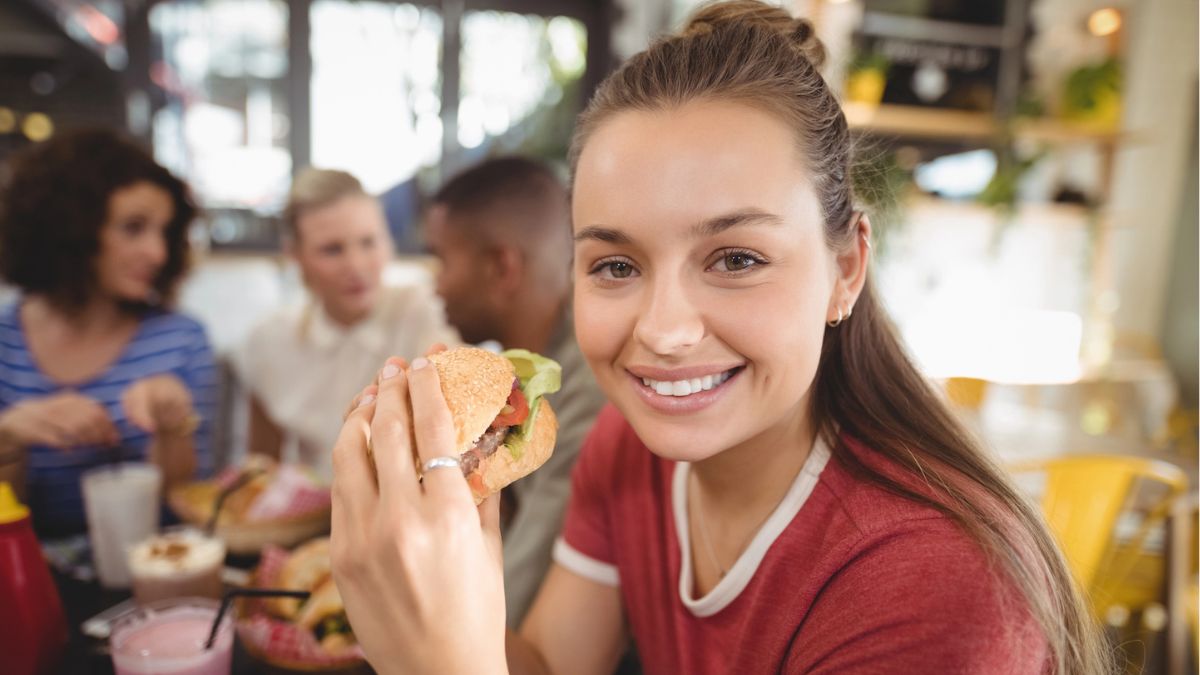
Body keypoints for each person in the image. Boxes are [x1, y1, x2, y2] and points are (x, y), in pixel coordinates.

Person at [326, 3, 1112, 674]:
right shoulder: (628, 451)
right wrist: (438, 585)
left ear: (846, 267)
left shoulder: (935, 583)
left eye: (736, 258)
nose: (663, 332)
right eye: (615, 264)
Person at [0, 129, 216, 538]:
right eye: (133, 228)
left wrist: (173, 425)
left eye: (164, 232)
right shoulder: (5, 342)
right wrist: (8, 438)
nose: (158, 252)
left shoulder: (180, 339)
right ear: (70, 229)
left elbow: (184, 503)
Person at [424, 157, 608, 627]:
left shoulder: (588, 393)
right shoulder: (510, 379)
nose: (434, 286)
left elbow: (505, 608)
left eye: (441, 261)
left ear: (501, 267)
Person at [234, 168, 458, 479]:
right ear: (295, 256)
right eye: (332, 250)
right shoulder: (269, 342)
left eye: (368, 242)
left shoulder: (431, 313)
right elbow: (262, 471)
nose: (356, 266)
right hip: (315, 519)